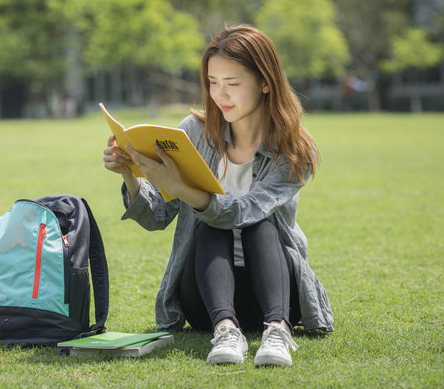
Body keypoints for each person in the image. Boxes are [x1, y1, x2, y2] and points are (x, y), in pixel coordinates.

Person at [102, 25, 333, 367]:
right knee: (207, 225)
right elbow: (157, 217)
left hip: (276, 291)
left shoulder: (294, 149)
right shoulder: (194, 132)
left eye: (232, 83)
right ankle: (226, 331)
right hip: (207, 297)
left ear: (265, 82)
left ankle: (278, 331)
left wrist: (181, 187)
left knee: (256, 224)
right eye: (212, 82)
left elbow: (243, 211)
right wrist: (130, 173)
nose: (219, 95)